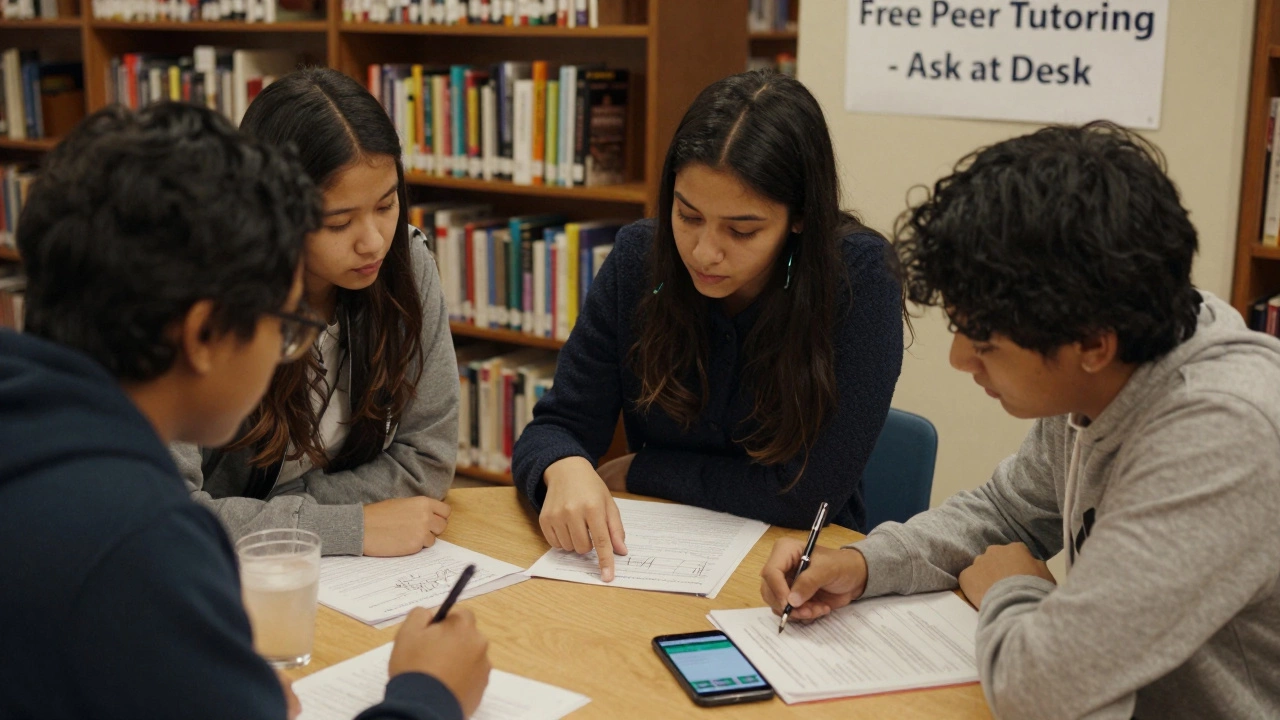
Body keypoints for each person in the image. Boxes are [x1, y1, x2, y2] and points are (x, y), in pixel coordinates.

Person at [759, 122, 1280, 719]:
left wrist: (1014, 588)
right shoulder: (1119, 362)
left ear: (1092, 342)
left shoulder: (1221, 440)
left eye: (984, 341)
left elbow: (1044, 689)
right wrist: (865, 563)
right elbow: (1007, 513)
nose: (959, 360)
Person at [0, 103, 490, 720]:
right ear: (205, 336)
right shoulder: (144, 545)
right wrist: (428, 695)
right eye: (287, 326)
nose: (297, 348)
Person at [512, 69, 904, 582]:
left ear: (801, 217)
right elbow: (555, 427)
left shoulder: (859, 279)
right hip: (652, 560)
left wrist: (641, 469)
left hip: (798, 572)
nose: (704, 252)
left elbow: (808, 495)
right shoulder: (638, 258)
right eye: (688, 215)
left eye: (743, 230)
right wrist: (561, 466)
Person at [172, 68, 458, 558]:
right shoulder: (199, 302)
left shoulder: (405, 266)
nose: (373, 241)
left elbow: (426, 460)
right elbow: (169, 516)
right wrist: (345, 525)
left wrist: (276, 513)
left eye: (387, 206)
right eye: (338, 222)